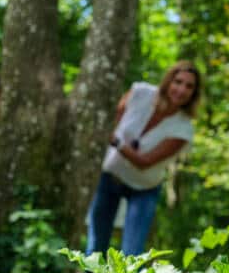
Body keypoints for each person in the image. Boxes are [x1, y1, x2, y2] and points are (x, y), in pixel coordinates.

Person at [86, 61, 201, 259]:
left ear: (194, 94)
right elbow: (114, 119)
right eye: (178, 82)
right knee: (96, 245)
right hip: (111, 176)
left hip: (144, 189)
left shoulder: (184, 129)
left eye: (189, 86)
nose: (181, 90)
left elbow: (144, 162)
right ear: (169, 81)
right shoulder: (140, 92)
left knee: (132, 254)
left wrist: (117, 142)